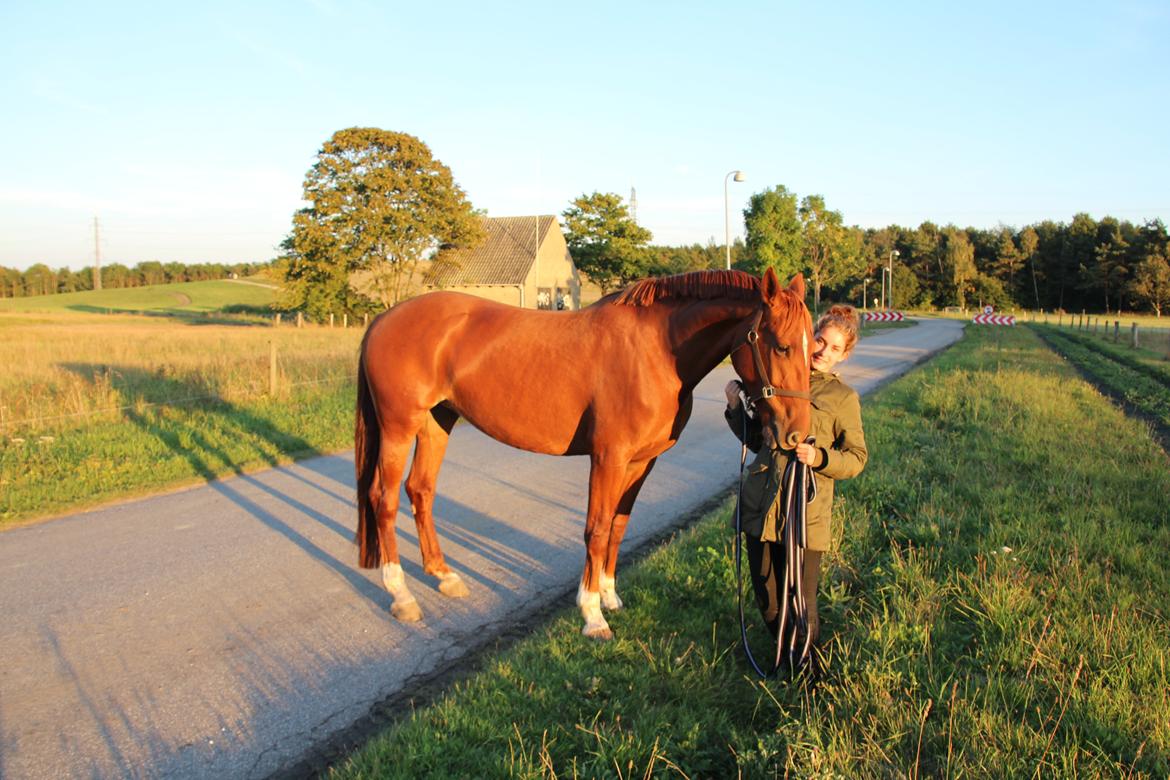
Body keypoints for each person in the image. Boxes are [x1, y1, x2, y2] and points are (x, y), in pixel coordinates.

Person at [724, 304, 868, 666]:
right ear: (811, 337)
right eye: (820, 341)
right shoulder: (783, 378)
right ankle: (788, 655)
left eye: (834, 348)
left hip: (805, 512)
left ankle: (809, 673)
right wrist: (735, 409)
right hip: (762, 505)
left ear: (844, 356)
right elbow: (758, 441)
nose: (823, 352)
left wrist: (820, 458)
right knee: (768, 600)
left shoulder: (843, 398)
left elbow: (856, 457)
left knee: (802, 601)